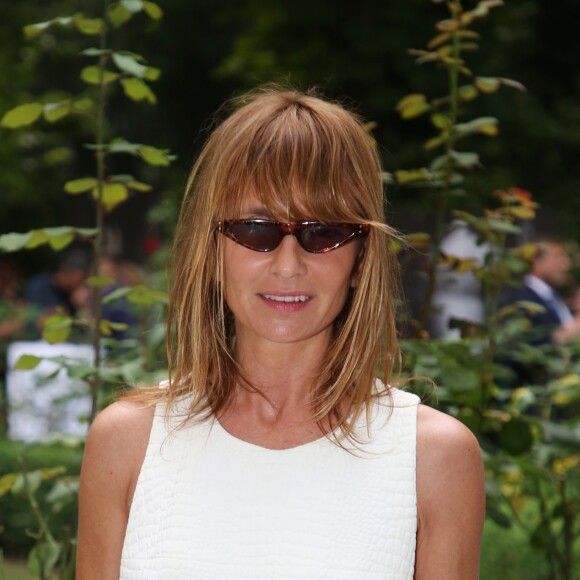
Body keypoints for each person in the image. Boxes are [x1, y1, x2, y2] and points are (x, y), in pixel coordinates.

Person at [76, 88, 485, 579]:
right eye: (255, 229)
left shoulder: (435, 458)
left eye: (323, 231)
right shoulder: (126, 442)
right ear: (212, 251)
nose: (289, 265)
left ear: (361, 258)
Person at [502, 238, 580, 345]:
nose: (566, 265)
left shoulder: (552, 297)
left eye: (565, 258)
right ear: (536, 261)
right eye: (557, 257)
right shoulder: (520, 299)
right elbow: (526, 346)